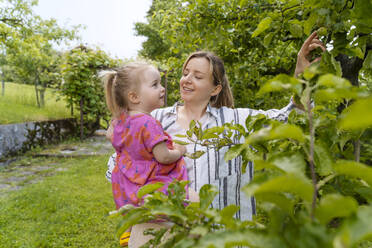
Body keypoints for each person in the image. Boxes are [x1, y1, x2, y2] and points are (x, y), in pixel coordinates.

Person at [106, 31, 325, 246]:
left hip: (223, 236)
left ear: (215, 89)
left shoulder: (236, 121)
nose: (187, 80)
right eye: (185, 73)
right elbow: (116, 166)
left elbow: (286, 116)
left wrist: (301, 78)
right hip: (169, 235)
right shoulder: (154, 119)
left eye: (198, 76)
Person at [101, 62, 190, 247]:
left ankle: (131, 230)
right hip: (151, 181)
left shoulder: (120, 120)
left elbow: (111, 136)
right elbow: (163, 157)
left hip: (127, 182)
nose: (162, 88)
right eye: (155, 85)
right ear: (134, 96)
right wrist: (179, 150)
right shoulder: (148, 123)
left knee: (141, 219)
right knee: (182, 208)